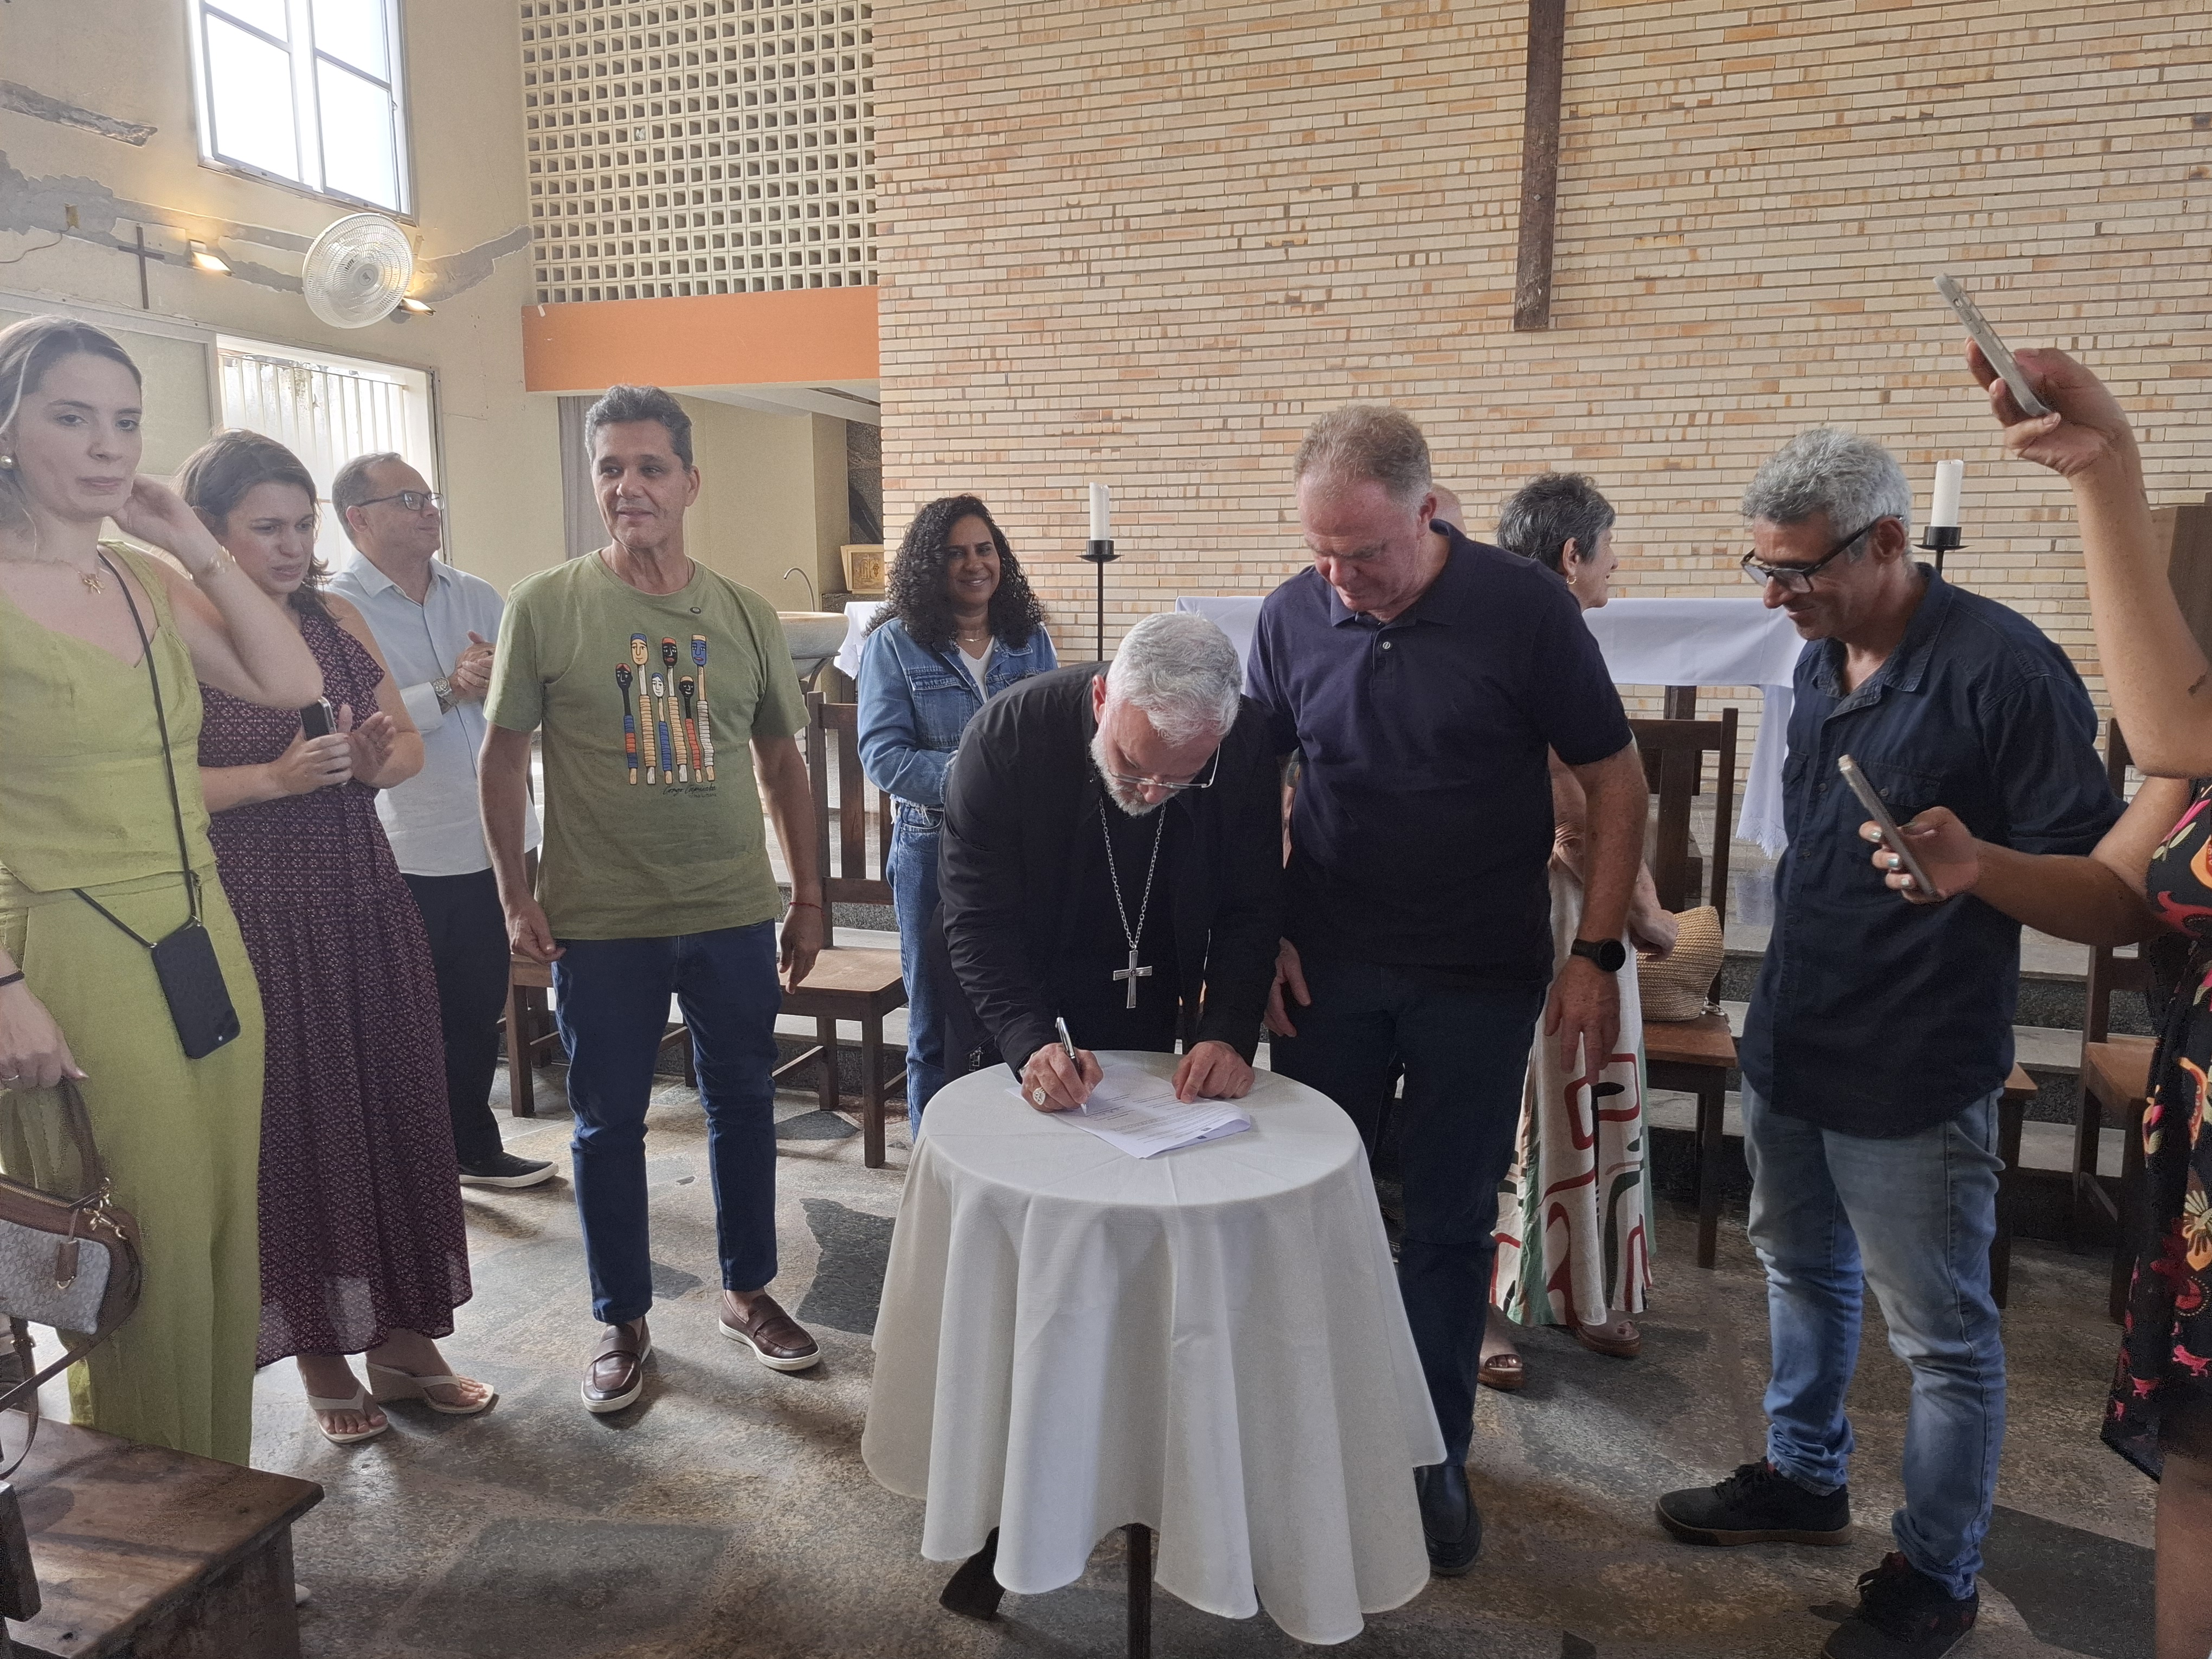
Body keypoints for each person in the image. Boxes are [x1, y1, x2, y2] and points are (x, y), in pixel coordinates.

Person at [1654, 428, 2120, 1659]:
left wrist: (1976, 866)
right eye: (1761, 570)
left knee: (1941, 1338)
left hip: (1914, 1056)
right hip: (1798, 1029)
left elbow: (2101, 886)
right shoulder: (1817, 661)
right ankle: (1803, 1475)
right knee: (1797, 1270)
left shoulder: (2002, 671)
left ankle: (1936, 1571)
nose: (1774, 598)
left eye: (1797, 571)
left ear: (1887, 543)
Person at [1250, 406, 1648, 1577]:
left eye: (1365, 552)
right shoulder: (1290, 615)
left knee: (1448, 1220)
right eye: (1322, 551)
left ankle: (1432, 1454)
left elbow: (1616, 783)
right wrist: (1260, 936)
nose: (1341, 578)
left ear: (1428, 514)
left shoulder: (1524, 610)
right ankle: (1313, 1439)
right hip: (1330, 965)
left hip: (1477, 971)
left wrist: (1597, 954)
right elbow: (1251, 788)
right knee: (1315, 1209)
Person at [0, 318, 321, 1464]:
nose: (106, 446)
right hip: (68, 942)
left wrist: (191, 540)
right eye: (71, 416)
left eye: (126, 422)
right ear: (8, 428)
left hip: (199, 928)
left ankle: (217, 1501)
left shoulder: (144, 578)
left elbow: (291, 680)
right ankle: (147, 1510)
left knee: (223, 1230)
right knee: (135, 1243)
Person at [482, 383, 826, 1416]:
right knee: (607, 1124)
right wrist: (514, 894)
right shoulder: (546, 605)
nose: (628, 486)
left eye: (649, 467)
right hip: (602, 918)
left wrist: (808, 898)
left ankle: (748, 1291)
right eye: (610, 468)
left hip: (730, 908)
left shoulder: (744, 613)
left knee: (745, 1105)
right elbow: (501, 758)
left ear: (689, 482)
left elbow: (781, 762)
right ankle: (622, 1319)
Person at [1953, 342, 2212, 1659]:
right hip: (2202, 1148)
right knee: (2200, 1462)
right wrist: (1975, 866)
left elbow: (2167, 730)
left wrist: (2106, 475)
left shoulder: (2190, 727)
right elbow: (2117, 892)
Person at [183, 429, 491, 1445]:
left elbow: (402, 754)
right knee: (302, 1127)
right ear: (210, 532)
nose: (289, 545)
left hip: (361, 891)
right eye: (264, 527)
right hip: (258, 909)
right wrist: (271, 779)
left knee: (395, 1109)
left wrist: (366, 759)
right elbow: (153, 784)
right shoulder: (183, 626)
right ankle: (321, 1347)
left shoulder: (334, 615)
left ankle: (405, 1341)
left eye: (300, 524)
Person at [1484, 472, 1679, 1385]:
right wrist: (1641, 916)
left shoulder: (1510, 621)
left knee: (1570, 1094)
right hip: (1556, 909)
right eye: (1608, 550)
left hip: (1564, 900)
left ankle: (1582, 1288)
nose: (1615, 566)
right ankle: (1493, 1306)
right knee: (1535, 1097)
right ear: (1572, 555)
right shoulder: (1536, 632)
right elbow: (1576, 803)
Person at [938, 610, 1280, 1113]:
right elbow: (977, 920)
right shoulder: (1007, 738)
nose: (1151, 793)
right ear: (1102, 700)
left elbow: (1251, 905)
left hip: (1149, 990)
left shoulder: (1244, 740)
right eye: (1134, 764)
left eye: (1182, 777)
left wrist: (1227, 1033)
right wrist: (1028, 1040)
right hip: (1011, 990)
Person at [327, 452, 555, 1189]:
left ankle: (468, 1146)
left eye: (429, 496)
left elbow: (521, 698)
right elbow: (355, 722)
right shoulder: (336, 611)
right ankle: (407, 1164)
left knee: (475, 1006)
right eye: (408, 499)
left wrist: (505, 680)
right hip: (406, 843)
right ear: (358, 519)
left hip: (491, 834)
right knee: (404, 1016)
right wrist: (449, 687)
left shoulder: (476, 593)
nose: (429, 509)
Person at [857, 494, 1056, 1136]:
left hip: (1019, 853)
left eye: (984, 550)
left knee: (1018, 1008)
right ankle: (935, 1167)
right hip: (931, 851)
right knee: (935, 1023)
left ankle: (1007, 1152)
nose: (974, 565)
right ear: (929, 565)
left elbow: (1054, 736)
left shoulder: (1029, 640)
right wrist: (980, 782)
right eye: (955, 554)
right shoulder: (894, 645)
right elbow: (884, 756)